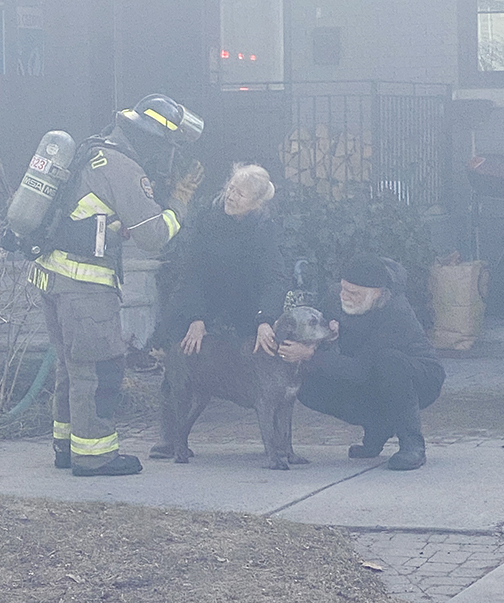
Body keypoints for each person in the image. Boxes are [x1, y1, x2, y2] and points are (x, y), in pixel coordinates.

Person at [26, 93, 204, 476]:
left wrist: (109, 229)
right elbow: (155, 236)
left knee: (72, 367)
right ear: (154, 140)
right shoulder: (124, 168)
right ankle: (95, 456)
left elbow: (83, 213)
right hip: (85, 288)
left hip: (52, 277)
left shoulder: (95, 149)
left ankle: (66, 447)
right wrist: (180, 200)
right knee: (99, 371)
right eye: (168, 147)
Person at [278, 253, 446, 471]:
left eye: (353, 293)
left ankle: (412, 444)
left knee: (389, 362)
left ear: (377, 293)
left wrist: (309, 355)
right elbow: (320, 336)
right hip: (367, 371)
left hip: (420, 378)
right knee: (308, 385)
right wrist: (326, 338)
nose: (344, 296)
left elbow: (360, 369)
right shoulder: (335, 297)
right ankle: (378, 427)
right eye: (343, 288)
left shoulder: (396, 312)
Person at [167, 163, 289, 359]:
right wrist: (196, 317)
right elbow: (191, 272)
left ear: (255, 203)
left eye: (240, 194)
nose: (231, 196)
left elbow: (274, 279)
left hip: (248, 311)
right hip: (205, 307)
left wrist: (265, 319)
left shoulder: (265, 229)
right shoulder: (207, 219)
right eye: (231, 188)